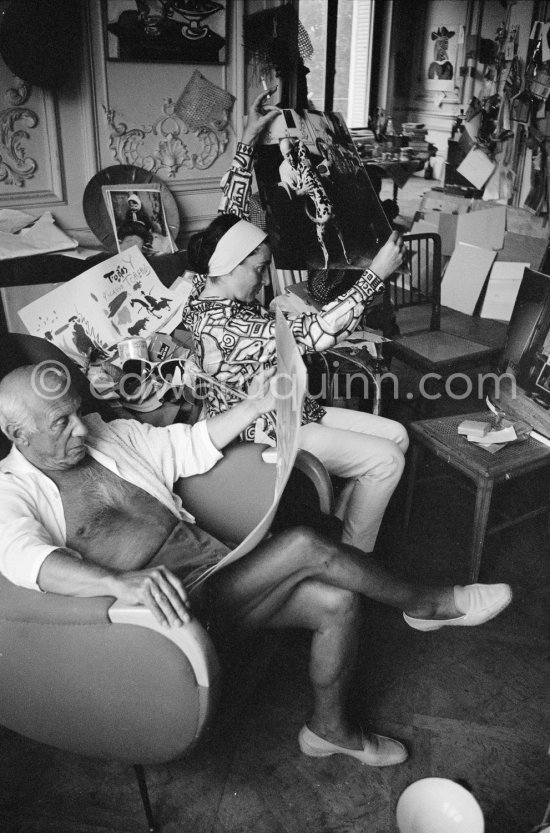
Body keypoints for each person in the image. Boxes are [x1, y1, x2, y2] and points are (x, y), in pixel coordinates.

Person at [0, 363, 512, 768]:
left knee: (339, 602)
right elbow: (25, 559)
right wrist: (118, 582)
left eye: (75, 411)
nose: (78, 428)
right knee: (306, 544)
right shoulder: (11, 490)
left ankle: (328, 731)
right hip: (169, 620)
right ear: (16, 434)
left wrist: (260, 403)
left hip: (220, 572)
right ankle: (429, 603)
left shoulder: (105, 433)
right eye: (58, 423)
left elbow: (189, 445)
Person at [181, 89, 409, 555]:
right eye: (257, 268)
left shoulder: (202, 286)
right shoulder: (227, 323)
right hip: (265, 429)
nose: (264, 275)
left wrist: (245, 143)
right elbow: (316, 335)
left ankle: (343, 525)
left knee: (398, 435)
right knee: (386, 459)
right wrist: (374, 276)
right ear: (229, 266)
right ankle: (353, 557)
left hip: (295, 409)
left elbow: (231, 217)